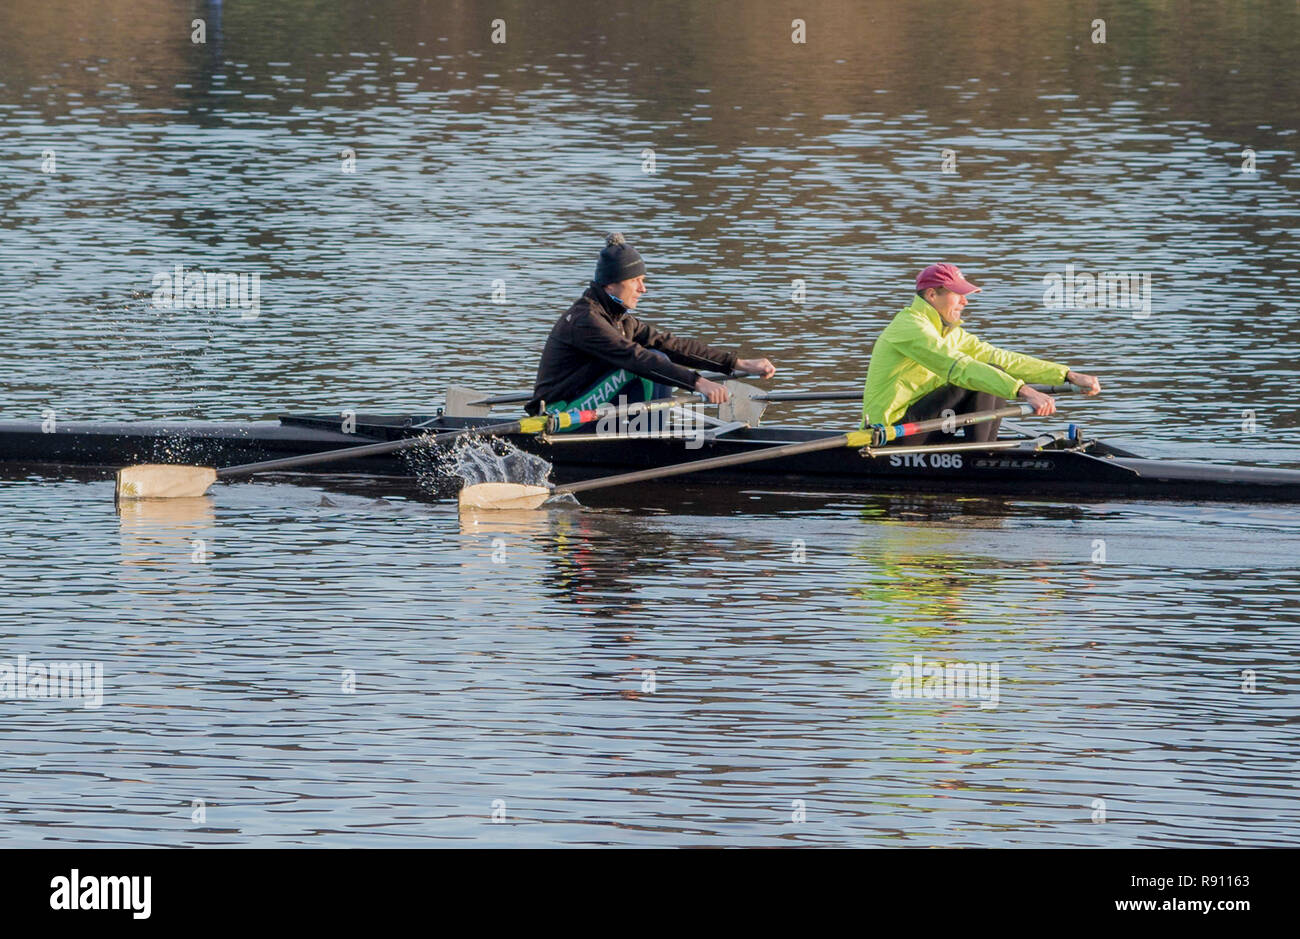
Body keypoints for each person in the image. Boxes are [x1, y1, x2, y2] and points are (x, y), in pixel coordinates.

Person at [527, 233, 776, 417]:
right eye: (635, 280)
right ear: (610, 284)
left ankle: (650, 437)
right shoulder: (586, 321)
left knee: (659, 353)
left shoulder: (619, 319)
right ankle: (645, 440)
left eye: (643, 280)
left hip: (585, 406)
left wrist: (736, 364)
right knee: (647, 362)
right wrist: (698, 383)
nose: (643, 289)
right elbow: (636, 358)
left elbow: (673, 345)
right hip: (557, 414)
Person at [860, 264, 1101, 444]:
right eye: (957, 294)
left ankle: (983, 447)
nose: (965, 301)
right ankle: (982, 454)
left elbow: (1000, 357)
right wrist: (1025, 391)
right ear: (932, 295)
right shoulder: (910, 328)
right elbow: (961, 368)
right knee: (979, 376)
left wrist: (1066, 374)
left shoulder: (948, 332)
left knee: (994, 367)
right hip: (889, 432)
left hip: (925, 422)